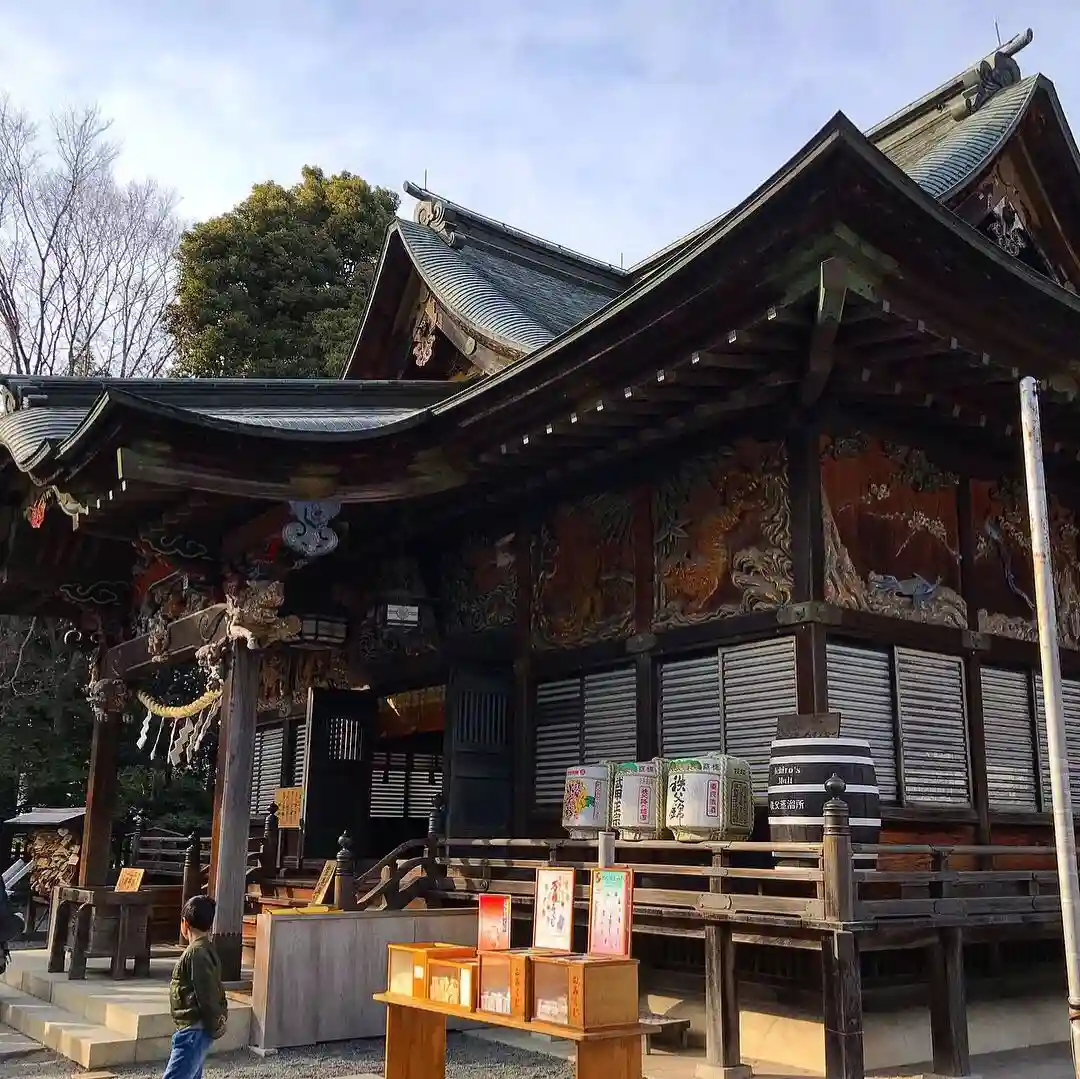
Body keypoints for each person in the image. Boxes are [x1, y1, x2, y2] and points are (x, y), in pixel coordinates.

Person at [163, 895, 228, 1079]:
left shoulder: (195, 953)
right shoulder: (206, 949)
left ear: (185, 923)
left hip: (194, 1028)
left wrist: (215, 1024)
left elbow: (206, 994)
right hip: (196, 1028)